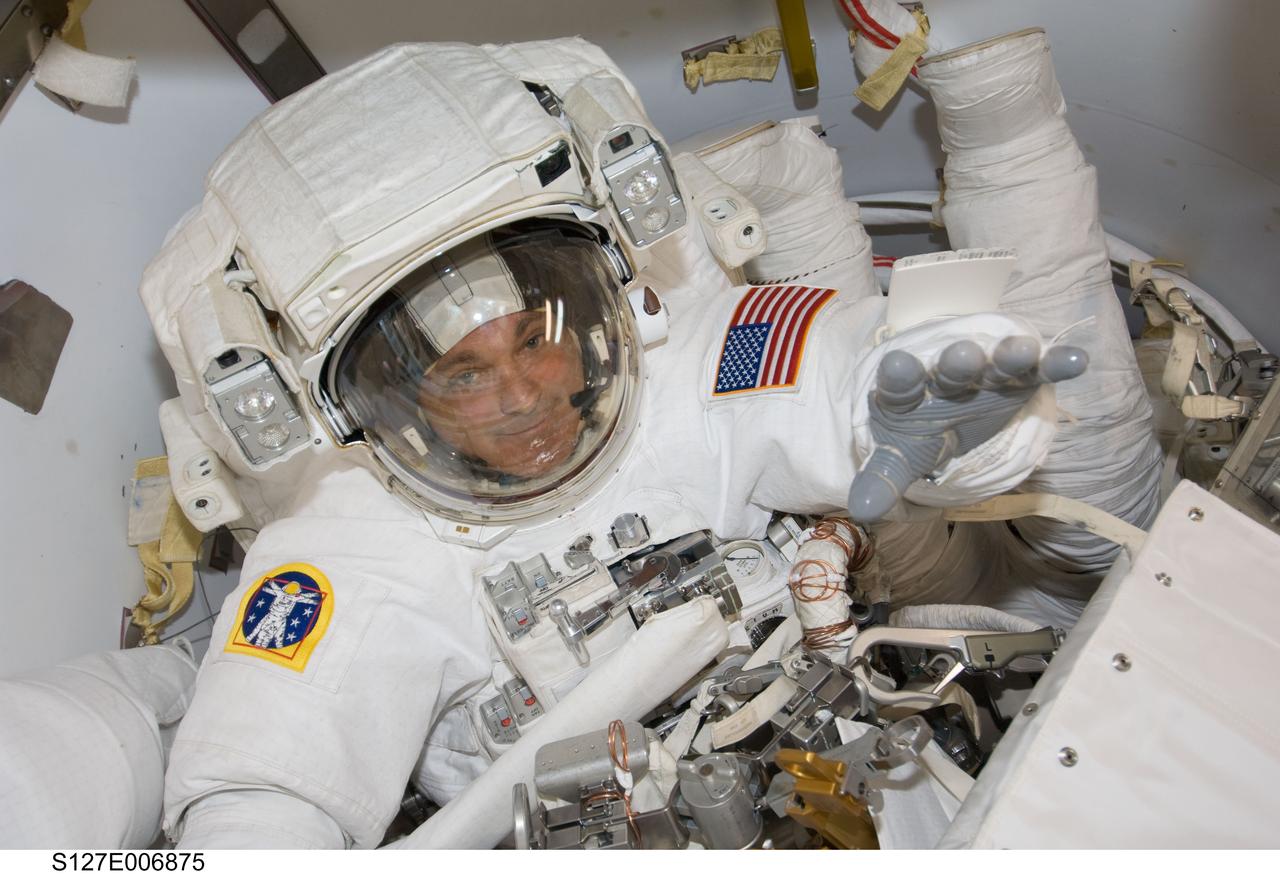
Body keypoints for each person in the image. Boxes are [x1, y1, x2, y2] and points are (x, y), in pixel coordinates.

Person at [138, 32, 1159, 848]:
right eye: (462, 375)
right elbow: (263, 788)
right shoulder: (346, 543)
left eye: (538, 339)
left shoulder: (685, 358)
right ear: (371, 409)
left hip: (870, 776)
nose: (526, 396)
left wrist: (957, 417)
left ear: (594, 293)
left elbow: (853, 367)